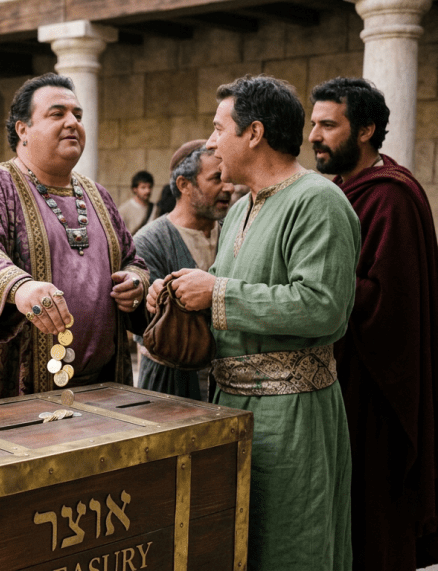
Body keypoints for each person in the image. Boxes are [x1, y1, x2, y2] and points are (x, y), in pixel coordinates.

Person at [148, 75, 359, 569]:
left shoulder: (318, 202)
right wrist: (179, 291)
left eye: (219, 128)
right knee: (236, 546)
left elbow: (323, 304)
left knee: (291, 547)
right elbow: (224, 284)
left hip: (294, 420)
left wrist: (215, 292)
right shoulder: (241, 207)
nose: (212, 141)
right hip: (228, 411)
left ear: (255, 133)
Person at [0, 73, 147, 407]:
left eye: (77, 115)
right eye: (57, 114)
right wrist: (19, 288)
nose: (72, 122)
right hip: (19, 390)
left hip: (104, 389)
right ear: (23, 130)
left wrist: (136, 282)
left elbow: (133, 258)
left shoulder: (98, 195)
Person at [310, 76, 438, 570]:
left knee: (375, 511)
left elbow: (391, 301)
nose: (315, 136)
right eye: (314, 124)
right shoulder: (345, 190)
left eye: (328, 125)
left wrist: (313, 289)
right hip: (346, 379)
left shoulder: (391, 196)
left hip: (377, 386)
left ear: (365, 130)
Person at [133, 141, 232, 400]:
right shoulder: (149, 241)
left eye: (228, 177)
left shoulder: (232, 232)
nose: (229, 187)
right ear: (184, 185)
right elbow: (147, 323)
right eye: (217, 178)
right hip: (168, 387)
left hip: (225, 386)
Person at [117, 170, 156, 235]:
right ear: (135, 189)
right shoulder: (124, 210)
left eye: (149, 187)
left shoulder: (155, 209)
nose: (147, 191)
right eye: (143, 187)